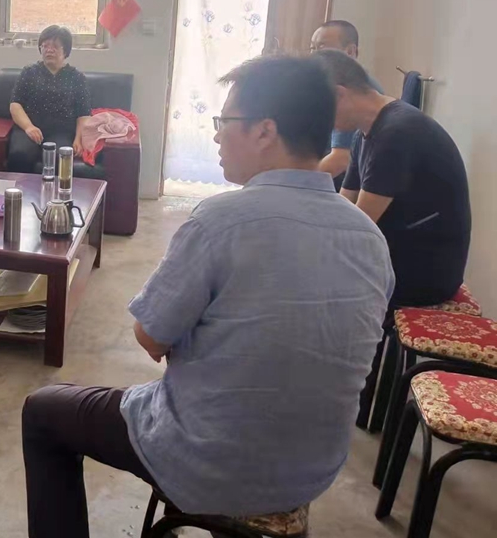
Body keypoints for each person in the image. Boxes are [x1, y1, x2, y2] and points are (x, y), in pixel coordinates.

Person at [20, 56, 394, 538]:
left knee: (44, 410)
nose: (216, 136)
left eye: (225, 121)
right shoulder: (370, 238)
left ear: (264, 131)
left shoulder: (220, 221)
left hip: (206, 460)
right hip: (311, 470)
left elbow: (150, 337)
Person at [314, 49, 471, 307]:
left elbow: (358, 226)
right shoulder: (364, 134)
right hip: (402, 251)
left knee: (312, 280)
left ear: (339, 95)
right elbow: (344, 206)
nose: (320, 122)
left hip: (426, 274)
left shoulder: (396, 133)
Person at [310, 19, 385, 190]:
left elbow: (341, 159)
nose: (314, 55)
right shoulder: (338, 82)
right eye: (312, 48)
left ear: (350, 51)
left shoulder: (353, 90)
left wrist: (294, 184)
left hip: (340, 182)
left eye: (321, 47)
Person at [6, 25, 91, 173]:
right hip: (30, 128)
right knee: (20, 154)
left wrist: (78, 139)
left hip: (61, 132)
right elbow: (15, 105)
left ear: (66, 51)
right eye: (45, 46)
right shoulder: (29, 73)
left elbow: (83, 114)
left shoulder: (77, 78)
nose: (49, 50)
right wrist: (29, 127)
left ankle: (56, 189)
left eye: (55, 46)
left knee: (61, 157)